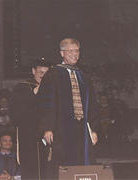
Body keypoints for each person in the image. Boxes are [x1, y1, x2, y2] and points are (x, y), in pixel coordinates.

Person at [38, 38, 99, 179]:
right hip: (61, 129)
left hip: (82, 129)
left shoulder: (84, 76)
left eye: (77, 50)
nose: (74, 54)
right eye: (70, 51)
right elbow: (47, 103)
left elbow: (92, 105)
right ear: (62, 53)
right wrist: (47, 128)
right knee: (62, 166)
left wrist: (94, 129)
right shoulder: (52, 75)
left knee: (83, 165)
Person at [12, 57, 50, 180]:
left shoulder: (52, 89)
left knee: (48, 169)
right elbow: (17, 113)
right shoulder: (22, 88)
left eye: (46, 74)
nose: (43, 76)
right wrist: (34, 92)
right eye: (40, 73)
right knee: (31, 170)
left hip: (48, 135)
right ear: (33, 71)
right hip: (29, 136)